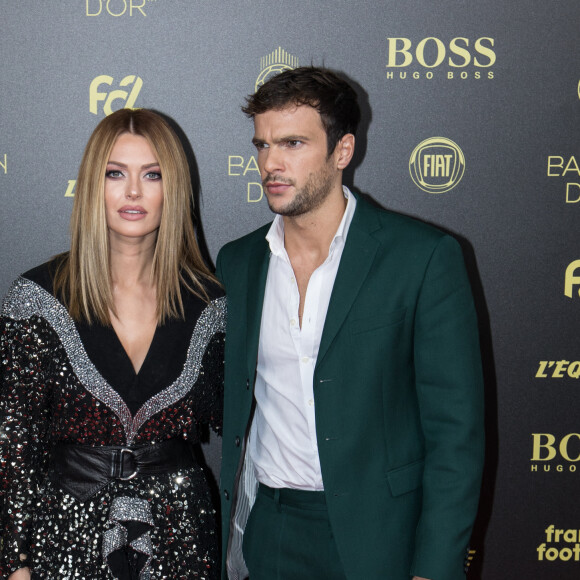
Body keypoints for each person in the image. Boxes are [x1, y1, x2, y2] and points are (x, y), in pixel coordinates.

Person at [216, 67, 484, 580]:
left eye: (292, 143)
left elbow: (456, 434)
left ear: (343, 151)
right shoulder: (239, 263)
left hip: (380, 534)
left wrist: (435, 569)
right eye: (262, 144)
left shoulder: (421, 258)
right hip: (270, 529)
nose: (271, 162)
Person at [0, 108, 225, 579]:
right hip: (63, 537)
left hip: (180, 536)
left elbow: (246, 423)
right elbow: (13, 446)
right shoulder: (36, 300)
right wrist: (14, 564)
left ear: (175, 188)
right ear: (91, 186)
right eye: (115, 173)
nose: (134, 191)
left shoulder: (212, 307)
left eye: (153, 174)